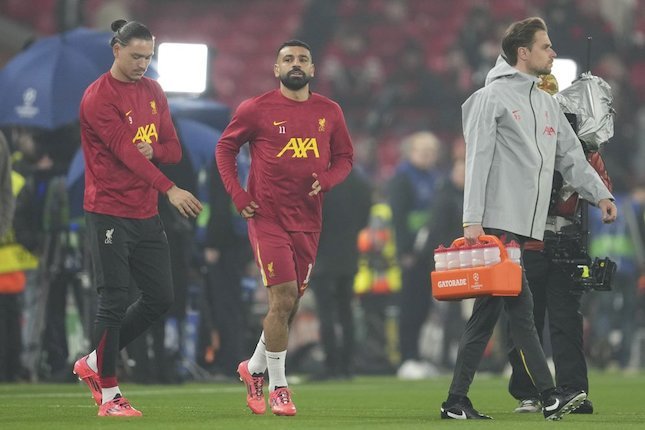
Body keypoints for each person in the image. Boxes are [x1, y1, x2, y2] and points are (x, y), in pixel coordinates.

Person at [441, 17, 617, 421]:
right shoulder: (491, 98)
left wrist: (601, 194)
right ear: (524, 52)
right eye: (546, 46)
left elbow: (571, 157)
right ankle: (551, 395)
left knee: (487, 316)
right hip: (497, 228)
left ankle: (456, 401)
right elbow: (477, 160)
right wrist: (473, 222)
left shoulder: (545, 101)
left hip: (524, 228)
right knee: (520, 310)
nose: (553, 53)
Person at [216, 39, 353, 416]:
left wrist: (326, 180)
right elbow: (225, 149)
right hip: (268, 217)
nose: (296, 64)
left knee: (290, 306)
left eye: (303, 59)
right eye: (288, 59)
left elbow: (344, 158)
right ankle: (279, 387)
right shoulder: (256, 109)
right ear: (276, 69)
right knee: (283, 299)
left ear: (312, 69)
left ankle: (253, 367)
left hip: (309, 220)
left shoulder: (330, 111)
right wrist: (239, 195)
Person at [73, 19, 202, 417]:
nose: (143, 64)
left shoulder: (153, 91)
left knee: (161, 297)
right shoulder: (97, 98)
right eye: (135, 56)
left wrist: (155, 151)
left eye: (148, 56)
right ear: (116, 49)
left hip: (145, 212)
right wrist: (170, 188)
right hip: (109, 210)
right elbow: (125, 154)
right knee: (112, 300)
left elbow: (173, 149)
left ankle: (93, 362)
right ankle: (109, 394)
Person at [507, 74, 608, 415]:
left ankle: (572, 391)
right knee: (528, 321)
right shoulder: (527, 145)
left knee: (562, 321)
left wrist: (589, 152)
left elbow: (600, 187)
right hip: (533, 241)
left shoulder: (584, 151)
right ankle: (532, 392)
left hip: (560, 242)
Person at [388, 131, 443, 379]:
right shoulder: (402, 179)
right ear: (411, 152)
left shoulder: (435, 178)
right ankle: (406, 357)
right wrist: (404, 251)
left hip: (431, 253)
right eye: (423, 151)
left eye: (432, 151)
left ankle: (418, 357)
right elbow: (398, 219)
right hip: (412, 253)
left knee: (423, 307)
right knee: (409, 306)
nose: (428, 155)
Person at [309, 168, 371, 380]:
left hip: (321, 255)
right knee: (346, 312)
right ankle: (347, 366)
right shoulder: (360, 183)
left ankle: (331, 365)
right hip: (348, 256)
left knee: (326, 312)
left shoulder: (318, 182)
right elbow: (364, 221)